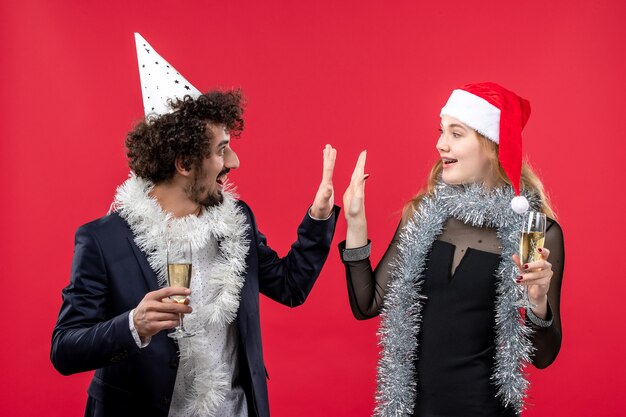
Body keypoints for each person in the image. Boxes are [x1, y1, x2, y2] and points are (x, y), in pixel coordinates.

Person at [51, 33, 340, 417]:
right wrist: (132, 324)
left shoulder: (237, 221)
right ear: (184, 163)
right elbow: (65, 349)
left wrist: (320, 214)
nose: (234, 161)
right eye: (221, 149)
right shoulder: (104, 240)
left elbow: (290, 286)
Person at [339, 82, 564, 417]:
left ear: (491, 146)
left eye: (456, 134)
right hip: (416, 409)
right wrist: (356, 222)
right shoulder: (425, 215)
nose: (440, 143)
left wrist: (537, 302)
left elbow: (542, 357)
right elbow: (367, 304)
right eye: (441, 131)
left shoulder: (531, 231)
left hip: (484, 409)